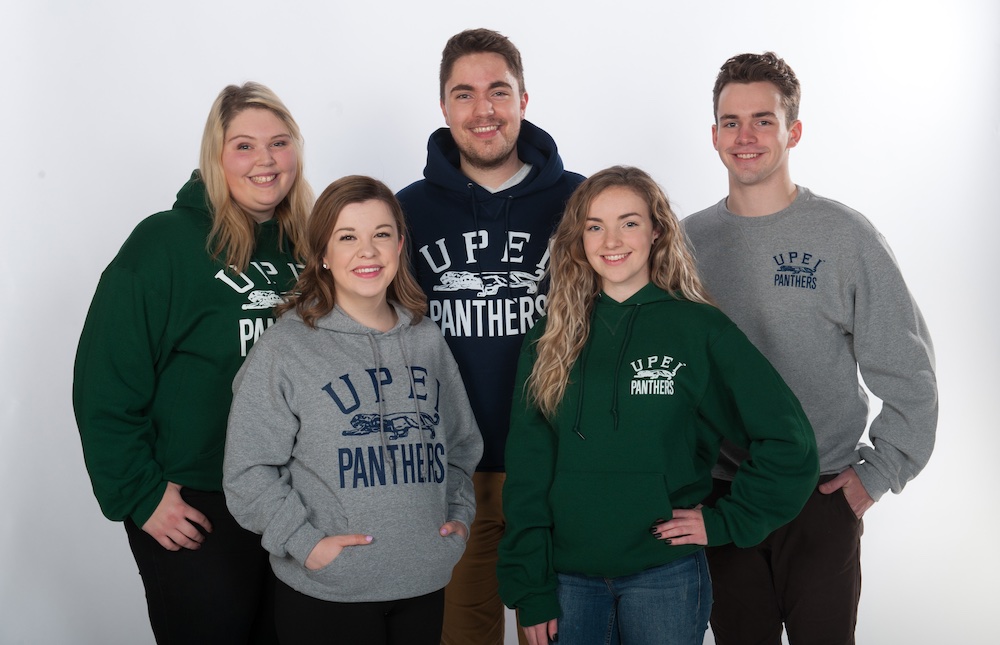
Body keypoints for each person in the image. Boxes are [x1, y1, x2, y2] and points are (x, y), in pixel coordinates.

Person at [496, 166, 819, 645]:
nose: (611, 240)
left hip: (663, 574)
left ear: (657, 231)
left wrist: (726, 521)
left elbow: (789, 439)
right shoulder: (548, 338)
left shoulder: (699, 330)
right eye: (594, 225)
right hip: (566, 578)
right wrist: (531, 585)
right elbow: (527, 471)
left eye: (629, 222)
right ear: (578, 239)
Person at [683, 52, 938, 645]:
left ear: (793, 130)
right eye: (730, 121)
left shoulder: (845, 237)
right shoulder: (688, 242)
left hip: (821, 494)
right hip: (725, 494)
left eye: (763, 121)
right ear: (714, 134)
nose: (745, 137)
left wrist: (877, 475)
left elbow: (909, 372)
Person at [72, 81, 312, 643]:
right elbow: (103, 384)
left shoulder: (310, 244)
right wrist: (140, 494)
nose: (265, 161)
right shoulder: (164, 243)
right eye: (244, 146)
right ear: (215, 155)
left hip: (293, 496)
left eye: (279, 143)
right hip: (199, 502)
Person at [223, 176, 483, 645]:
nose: (368, 251)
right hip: (327, 592)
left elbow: (461, 446)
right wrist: (306, 544)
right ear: (323, 253)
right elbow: (247, 470)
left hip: (423, 582)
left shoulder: (426, 340)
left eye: (381, 234)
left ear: (400, 246)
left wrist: (458, 518)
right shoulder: (288, 347)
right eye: (348, 237)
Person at [395, 27, 584, 645]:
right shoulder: (406, 213)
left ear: (524, 99)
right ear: (444, 107)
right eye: (465, 94)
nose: (484, 110)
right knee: (460, 635)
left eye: (498, 91)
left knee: (563, 631)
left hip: (561, 464)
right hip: (450, 471)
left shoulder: (583, 203)